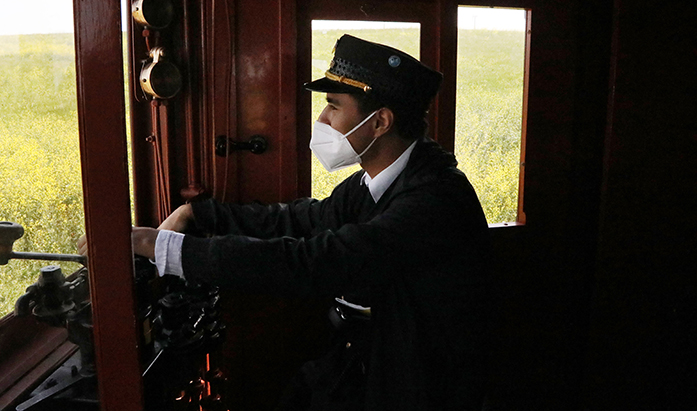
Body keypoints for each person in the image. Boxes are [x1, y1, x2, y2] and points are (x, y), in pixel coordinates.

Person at [82, 34, 491, 410]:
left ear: (380, 122)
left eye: (333, 105)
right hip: (369, 351)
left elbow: (316, 261)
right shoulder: (374, 181)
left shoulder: (435, 200)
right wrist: (201, 212)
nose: (324, 121)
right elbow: (303, 219)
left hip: (418, 376)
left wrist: (164, 248)